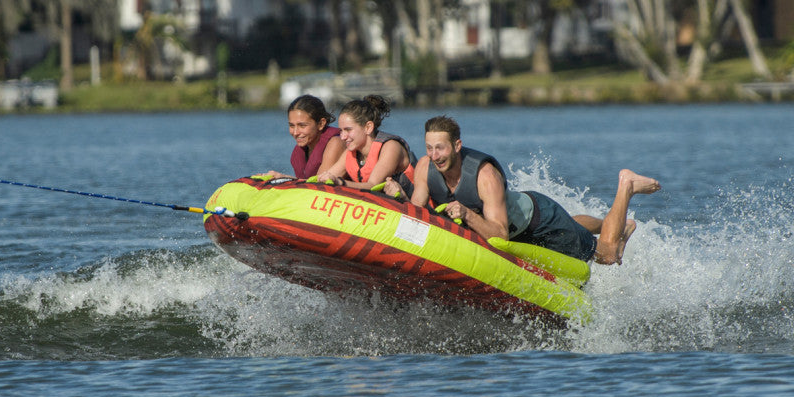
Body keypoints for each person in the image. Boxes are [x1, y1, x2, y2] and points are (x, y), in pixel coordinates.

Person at [396, 116, 660, 265]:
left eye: (440, 148)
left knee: (606, 254)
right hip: (522, 218)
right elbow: (418, 213)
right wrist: (399, 196)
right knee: (574, 225)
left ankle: (627, 186)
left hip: (539, 221)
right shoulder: (424, 167)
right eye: (429, 148)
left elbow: (500, 235)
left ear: (457, 145)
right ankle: (612, 225)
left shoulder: (485, 176)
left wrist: (467, 214)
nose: (434, 155)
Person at [314, 95, 417, 194]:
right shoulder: (350, 152)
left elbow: (373, 186)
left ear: (368, 127)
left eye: (348, 130)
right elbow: (327, 177)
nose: (342, 137)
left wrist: (340, 182)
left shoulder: (391, 147)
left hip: (415, 207)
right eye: (341, 131)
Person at [258, 95, 346, 180]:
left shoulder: (336, 143)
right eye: (292, 126)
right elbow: (307, 183)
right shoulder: (303, 149)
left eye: (302, 125)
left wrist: (285, 178)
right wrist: (279, 178)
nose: (295, 132)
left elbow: (321, 185)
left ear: (321, 124)